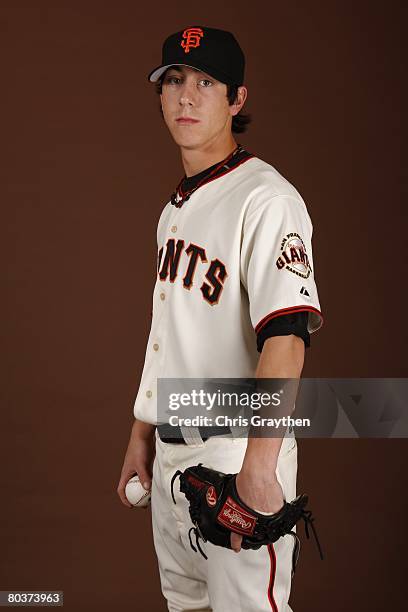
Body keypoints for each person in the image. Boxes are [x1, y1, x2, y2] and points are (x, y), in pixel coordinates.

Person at [117, 25, 323, 612]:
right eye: (174, 81)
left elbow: (286, 340)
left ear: (237, 100)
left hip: (237, 457)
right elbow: (170, 336)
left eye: (206, 83)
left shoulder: (267, 199)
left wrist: (260, 469)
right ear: (159, 95)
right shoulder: (174, 210)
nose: (186, 96)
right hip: (175, 462)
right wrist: (143, 431)